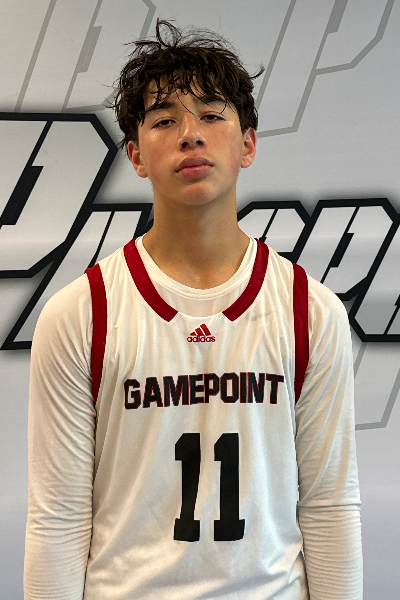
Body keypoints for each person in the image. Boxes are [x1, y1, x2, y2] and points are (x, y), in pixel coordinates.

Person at [24, 19, 362, 600]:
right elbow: (58, 517)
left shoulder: (311, 310)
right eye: (164, 120)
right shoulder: (80, 314)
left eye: (211, 114)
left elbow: (329, 506)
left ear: (247, 143)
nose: (190, 135)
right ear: (135, 154)